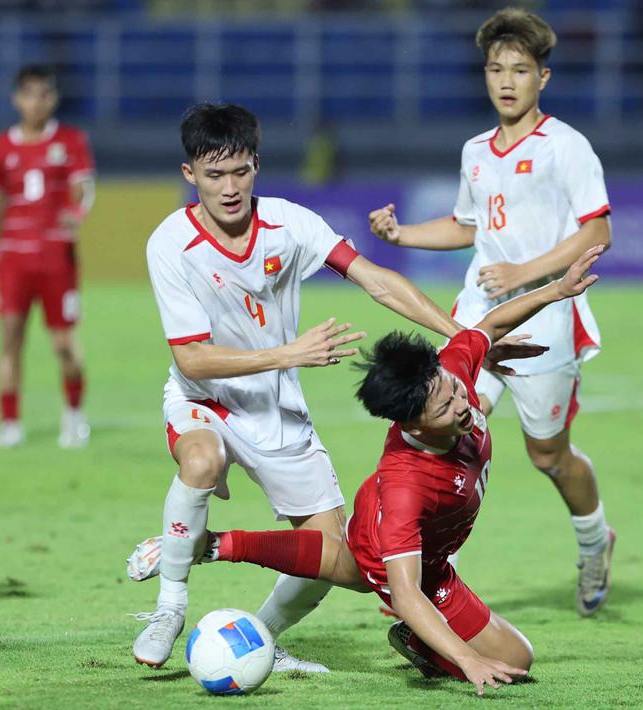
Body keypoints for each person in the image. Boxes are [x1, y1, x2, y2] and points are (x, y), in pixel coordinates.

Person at [127, 103, 540, 671]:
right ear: (189, 174)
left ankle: (259, 642)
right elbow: (193, 361)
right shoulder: (170, 244)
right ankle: (168, 609)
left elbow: (377, 281)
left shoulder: (289, 224)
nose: (229, 188)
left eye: (240, 171)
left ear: (257, 165)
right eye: (214, 174)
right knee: (199, 462)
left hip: (278, 412)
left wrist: (470, 337)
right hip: (206, 400)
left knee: (333, 560)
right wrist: (289, 354)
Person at [181, 246, 604, 695]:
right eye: (446, 407)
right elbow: (406, 594)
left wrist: (557, 290)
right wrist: (466, 659)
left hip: (424, 553)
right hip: (400, 561)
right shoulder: (408, 487)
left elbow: (487, 327)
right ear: (412, 421)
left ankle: (217, 544)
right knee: (499, 655)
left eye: (457, 391)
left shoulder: (446, 375)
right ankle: (215, 545)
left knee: (344, 564)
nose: (464, 404)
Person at [366, 8, 615, 616]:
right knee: (437, 429)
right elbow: (466, 225)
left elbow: (598, 231)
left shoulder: (566, 147)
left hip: (547, 319)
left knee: (547, 456)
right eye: (496, 69)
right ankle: (414, 573)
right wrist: (402, 237)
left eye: (520, 70)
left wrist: (525, 274)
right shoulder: (475, 150)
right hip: (478, 315)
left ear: (543, 78)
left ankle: (594, 541)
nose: (506, 80)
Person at [0, 64, 96, 448]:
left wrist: (75, 214)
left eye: (45, 94)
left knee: (64, 342)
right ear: (17, 98)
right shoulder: (0, 146)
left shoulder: (71, 140)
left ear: (54, 98)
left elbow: (84, 188)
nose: (37, 102)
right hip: (14, 257)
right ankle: (10, 423)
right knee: (11, 339)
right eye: (30, 94)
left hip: (55, 257)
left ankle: (74, 416)